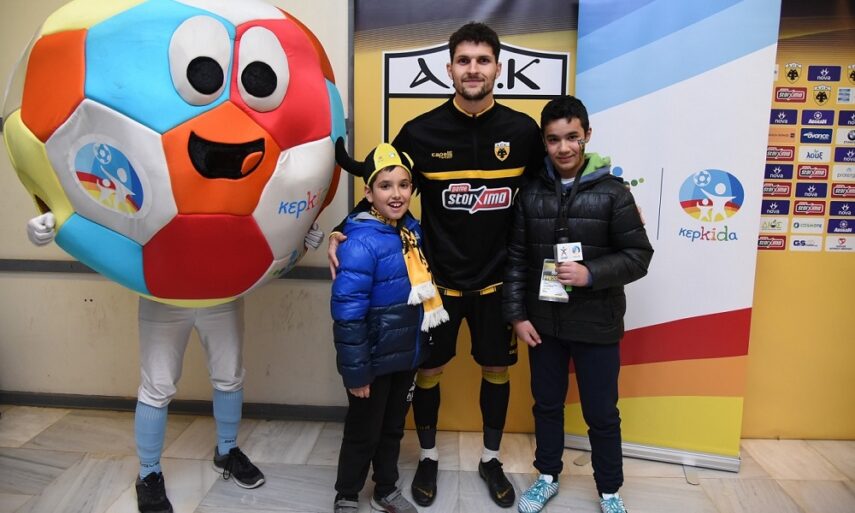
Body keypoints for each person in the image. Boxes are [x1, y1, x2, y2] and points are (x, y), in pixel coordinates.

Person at [328, 22, 543, 508]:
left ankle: (491, 459)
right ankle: (428, 457)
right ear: (449, 69)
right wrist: (345, 228)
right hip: (435, 286)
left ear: (498, 68)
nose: (473, 69)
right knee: (428, 370)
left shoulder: (522, 132)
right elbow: (385, 187)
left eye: (482, 60)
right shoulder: (420, 132)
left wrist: (610, 198)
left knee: (496, 368)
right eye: (464, 61)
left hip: (498, 284)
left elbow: (550, 192)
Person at [25, 212, 324, 513]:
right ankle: (149, 473)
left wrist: (296, 237)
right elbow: (110, 205)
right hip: (163, 293)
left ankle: (227, 451)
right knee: (157, 385)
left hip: (221, 290)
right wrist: (58, 219)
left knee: (229, 375)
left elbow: (264, 206)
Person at [502, 95, 653, 513]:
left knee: (601, 413)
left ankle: (610, 491)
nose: (564, 147)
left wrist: (591, 274)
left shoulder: (613, 193)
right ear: (544, 142)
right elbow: (516, 259)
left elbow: (639, 256)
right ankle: (547, 477)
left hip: (597, 324)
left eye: (572, 137)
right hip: (544, 325)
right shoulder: (530, 193)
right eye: (554, 139)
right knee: (547, 406)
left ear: (587, 134)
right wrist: (517, 316)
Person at [330, 140, 448, 513]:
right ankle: (347, 494)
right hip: (373, 361)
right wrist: (356, 373)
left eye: (403, 185)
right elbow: (348, 315)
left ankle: (386, 488)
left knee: (394, 427)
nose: (396, 194)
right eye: (385, 186)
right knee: (363, 431)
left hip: (406, 356)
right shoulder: (359, 242)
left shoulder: (411, 232)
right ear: (368, 193)